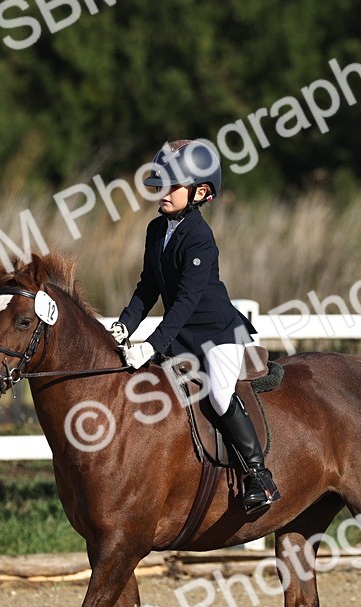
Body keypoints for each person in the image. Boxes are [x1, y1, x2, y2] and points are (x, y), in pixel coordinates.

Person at [110, 139, 281, 514]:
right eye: (162, 183)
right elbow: (148, 287)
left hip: (217, 334)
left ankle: (259, 477)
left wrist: (152, 344)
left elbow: (186, 302)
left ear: (200, 191)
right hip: (181, 335)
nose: (164, 192)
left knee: (219, 395)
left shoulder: (200, 238)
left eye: (174, 185)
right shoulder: (156, 230)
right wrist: (123, 327)